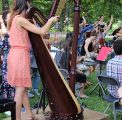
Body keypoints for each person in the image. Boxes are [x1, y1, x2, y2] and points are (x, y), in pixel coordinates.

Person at [7, 0, 59, 120]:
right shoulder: (20, 19)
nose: (29, 10)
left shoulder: (15, 18)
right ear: (24, 7)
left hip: (16, 54)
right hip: (20, 56)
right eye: (28, 7)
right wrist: (50, 21)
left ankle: (29, 114)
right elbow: (42, 31)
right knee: (20, 90)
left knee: (23, 88)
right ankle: (17, 118)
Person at [0, 13, 15, 99]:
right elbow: (6, 33)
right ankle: (7, 101)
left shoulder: (15, 28)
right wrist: (1, 21)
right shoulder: (2, 30)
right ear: (5, 19)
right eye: (10, 16)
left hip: (16, 56)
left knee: (15, 80)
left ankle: (16, 101)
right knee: (7, 80)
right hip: (8, 58)